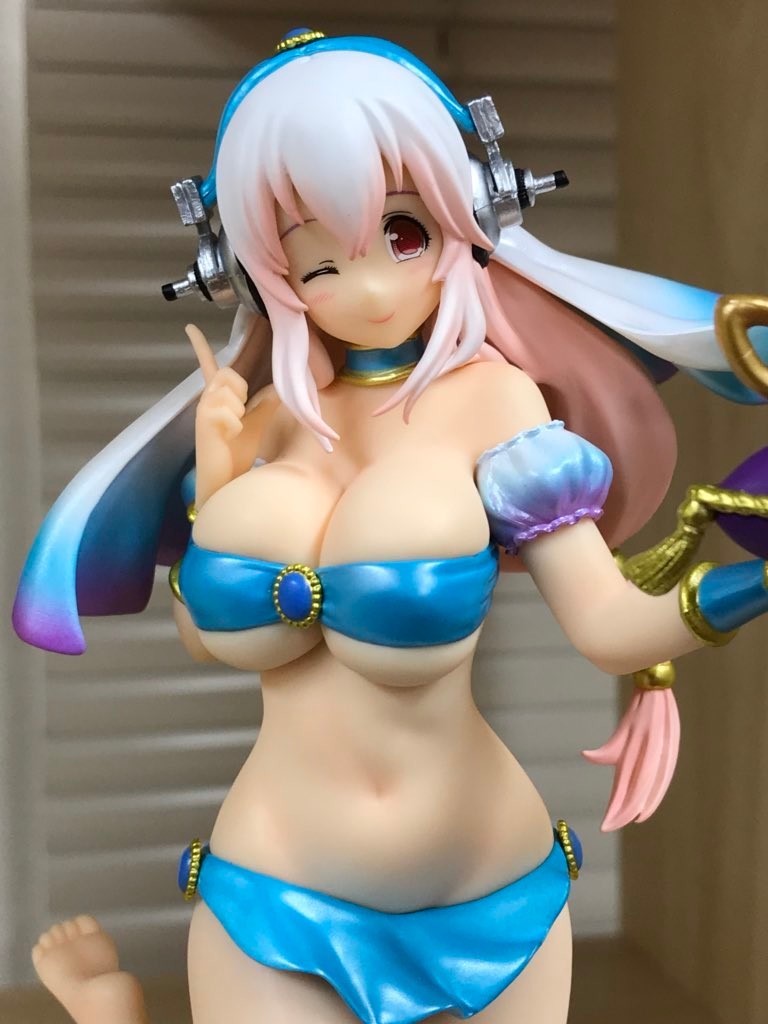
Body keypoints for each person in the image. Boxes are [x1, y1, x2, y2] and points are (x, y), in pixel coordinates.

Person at [15, 29, 768, 1024]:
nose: (367, 287)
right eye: (318, 263)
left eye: (402, 235)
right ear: (254, 269)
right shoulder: (262, 419)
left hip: (487, 884)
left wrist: (751, 581)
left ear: (470, 210)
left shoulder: (494, 403)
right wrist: (219, 478)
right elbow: (206, 634)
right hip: (275, 879)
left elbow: (607, 625)